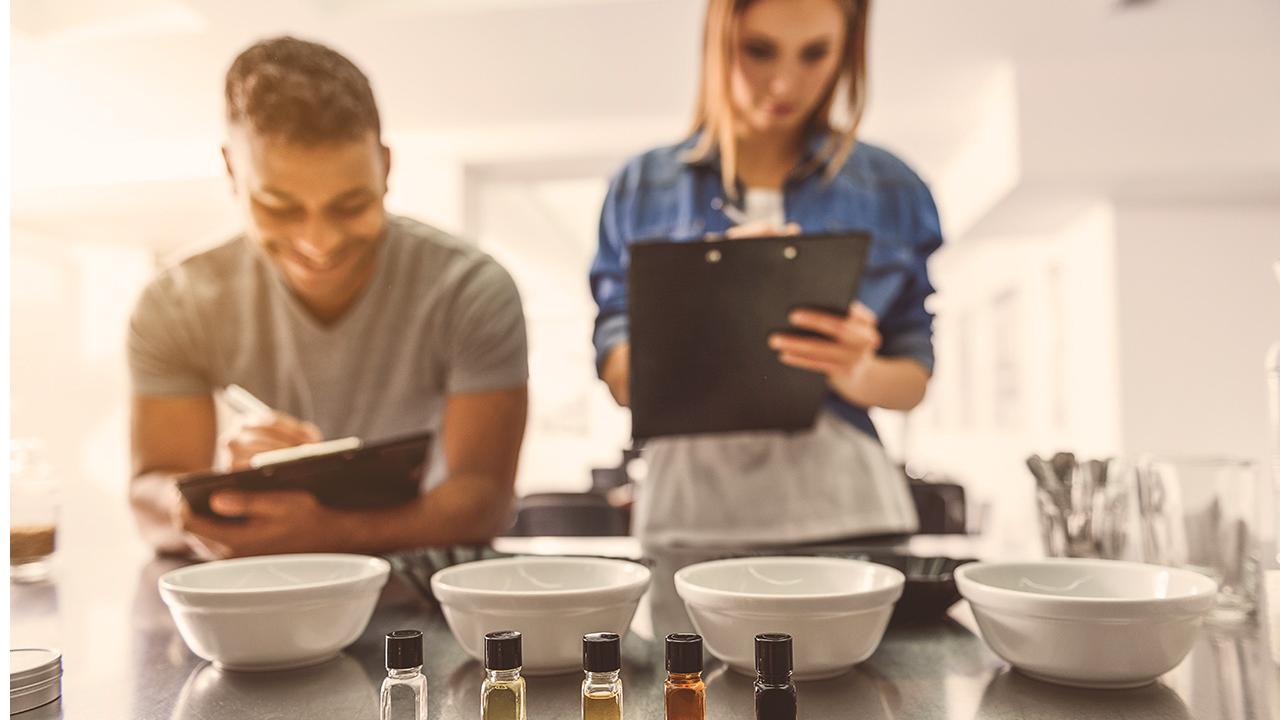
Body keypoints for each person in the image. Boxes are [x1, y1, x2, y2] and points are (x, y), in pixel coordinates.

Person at [128, 37, 528, 558]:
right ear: (232, 172)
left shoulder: (471, 289)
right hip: (244, 600)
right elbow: (149, 496)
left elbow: (485, 501)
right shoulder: (174, 303)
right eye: (280, 208)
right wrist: (207, 501)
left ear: (385, 168)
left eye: (351, 204)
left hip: (414, 593)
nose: (319, 242)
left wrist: (327, 534)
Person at [589, 0, 941, 546]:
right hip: (689, 519)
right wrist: (710, 304)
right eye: (758, 51)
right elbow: (621, 378)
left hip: (850, 511)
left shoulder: (894, 188)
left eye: (815, 54)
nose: (784, 84)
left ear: (847, 49)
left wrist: (856, 371)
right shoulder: (640, 187)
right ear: (717, 38)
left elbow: (913, 378)